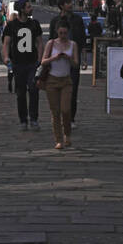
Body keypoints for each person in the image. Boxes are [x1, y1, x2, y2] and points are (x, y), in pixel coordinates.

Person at [2, 0, 43, 130]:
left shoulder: (34, 24)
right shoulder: (12, 25)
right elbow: (6, 43)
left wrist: (40, 60)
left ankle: (34, 119)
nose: (31, 8)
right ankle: (23, 120)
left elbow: (40, 42)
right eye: (28, 7)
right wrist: (6, 57)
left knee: (33, 90)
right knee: (20, 93)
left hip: (32, 63)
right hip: (18, 63)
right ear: (21, 10)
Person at [37, 22, 78, 150]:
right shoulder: (51, 43)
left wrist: (68, 58)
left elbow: (76, 64)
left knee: (66, 110)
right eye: (60, 33)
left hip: (66, 80)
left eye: (65, 33)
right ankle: (58, 140)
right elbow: (43, 61)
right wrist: (54, 58)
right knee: (55, 112)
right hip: (52, 81)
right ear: (57, 32)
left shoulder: (73, 44)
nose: (63, 35)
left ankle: (67, 134)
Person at [48, 0, 86, 122]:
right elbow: (50, 40)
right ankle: (59, 116)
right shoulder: (55, 21)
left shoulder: (77, 20)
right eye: (68, 2)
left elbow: (82, 40)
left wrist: (84, 58)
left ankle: (71, 118)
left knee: (73, 90)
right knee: (58, 90)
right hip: (58, 62)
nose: (71, 4)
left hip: (73, 59)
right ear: (61, 6)